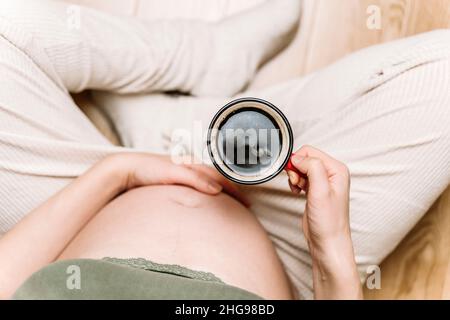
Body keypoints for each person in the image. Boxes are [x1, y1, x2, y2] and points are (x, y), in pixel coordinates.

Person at [0, 0, 449, 299]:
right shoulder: (317, 244)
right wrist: (330, 246)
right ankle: (181, 126)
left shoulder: (109, 180)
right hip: (287, 244)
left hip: (74, 213)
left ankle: (199, 57)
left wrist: (116, 173)